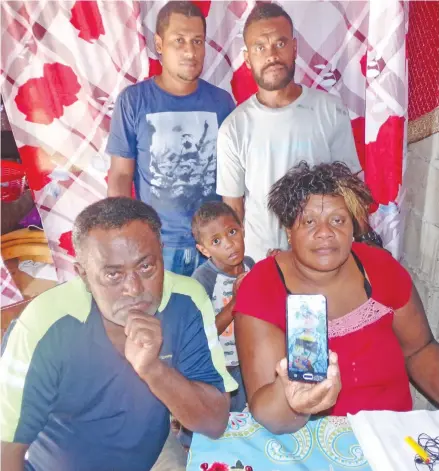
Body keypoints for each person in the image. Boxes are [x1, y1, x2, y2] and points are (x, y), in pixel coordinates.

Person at [0, 197, 237, 471]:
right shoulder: (44, 325)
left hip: (152, 456)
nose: (134, 289)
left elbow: (215, 422)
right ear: (84, 275)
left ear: (161, 253)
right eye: (113, 275)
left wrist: (153, 370)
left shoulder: (187, 300)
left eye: (146, 267)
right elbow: (6, 450)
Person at [233, 161, 439, 434]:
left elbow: (419, 350)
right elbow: (268, 412)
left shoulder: (382, 269)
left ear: (352, 225)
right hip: (309, 442)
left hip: (392, 434)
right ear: (288, 231)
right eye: (309, 221)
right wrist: (294, 402)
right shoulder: (262, 288)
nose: (325, 232)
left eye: (338, 220)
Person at [216, 3, 361, 262]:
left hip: (324, 261)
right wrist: (236, 268)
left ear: (294, 48)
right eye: (260, 47)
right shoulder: (233, 128)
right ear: (247, 58)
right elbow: (232, 209)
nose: (271, 55)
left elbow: (349, 192)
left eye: (279, 44)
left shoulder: (330, 110)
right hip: (262, 263)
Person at [106, 1, 235, 276]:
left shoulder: (222, 103)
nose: (190, 51)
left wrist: (232, 238)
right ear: (160, 44)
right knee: (159, 317)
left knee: (215, 318)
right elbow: (119, 176)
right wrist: (122, 237)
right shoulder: (134, 101)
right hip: (156, 245)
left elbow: (234, 177)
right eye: (179, 41)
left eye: (197, 41)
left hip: (214, 245)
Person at [192, 201, 254, 412]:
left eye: (232, 232)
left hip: (248, 358)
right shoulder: (203, 279)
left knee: (246, 417)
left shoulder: (250, 265)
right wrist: (235, 303)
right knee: (219, 418)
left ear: (243, 230)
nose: (229, 244)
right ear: (204, 250)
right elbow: (202, 332)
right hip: (221, 366)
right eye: (216, 241)